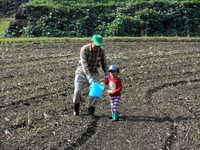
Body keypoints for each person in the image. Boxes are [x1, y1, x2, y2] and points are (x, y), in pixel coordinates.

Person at [73, 34, 109, 116]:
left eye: (99, 46)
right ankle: (76, 108)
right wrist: (89, 78)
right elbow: (84, 64)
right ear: (91, 42)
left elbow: (104, 64)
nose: (97, 48)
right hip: (82, 72)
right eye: (96, 45)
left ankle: (91, 110)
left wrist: (107, 75)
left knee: (95, 92)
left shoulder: (101, 51)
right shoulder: (84, 49)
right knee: (77, 91)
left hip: (94, 72)